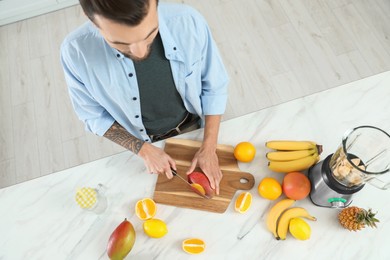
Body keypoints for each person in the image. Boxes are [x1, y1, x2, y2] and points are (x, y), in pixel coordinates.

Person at [60, 0, 229, 194]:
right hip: (143, 140)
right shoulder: (75, 52)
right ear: (91, 19)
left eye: (150, 34)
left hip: (196, 125)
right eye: (120, 43)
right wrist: (142, 149)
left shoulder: (188, 22)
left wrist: (208, 148)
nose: (140, 52)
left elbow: (214, 86)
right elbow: (93, 116)